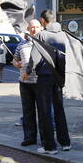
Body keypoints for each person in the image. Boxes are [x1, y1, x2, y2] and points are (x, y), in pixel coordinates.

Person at [25, 10, 71, 155]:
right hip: (59, 77)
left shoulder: (42, 35)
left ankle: (50, 146)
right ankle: (65, 142)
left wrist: (28, 71)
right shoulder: (63, 35)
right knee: (59, 110)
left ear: (42, 20)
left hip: (44, 76)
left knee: (45, 112)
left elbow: (35, 56)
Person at [14, 19, 42, 146]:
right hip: (24, 83)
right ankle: (29, 137)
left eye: (36, 27)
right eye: (32, 27)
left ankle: (45, 139)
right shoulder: (21, 45)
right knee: (27, 112)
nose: (34, 29)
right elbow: (14, 60)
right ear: (28, 29)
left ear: (40, 28)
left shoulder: (43, 44)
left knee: (43, 112)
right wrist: (16, 64)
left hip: (39, 82)